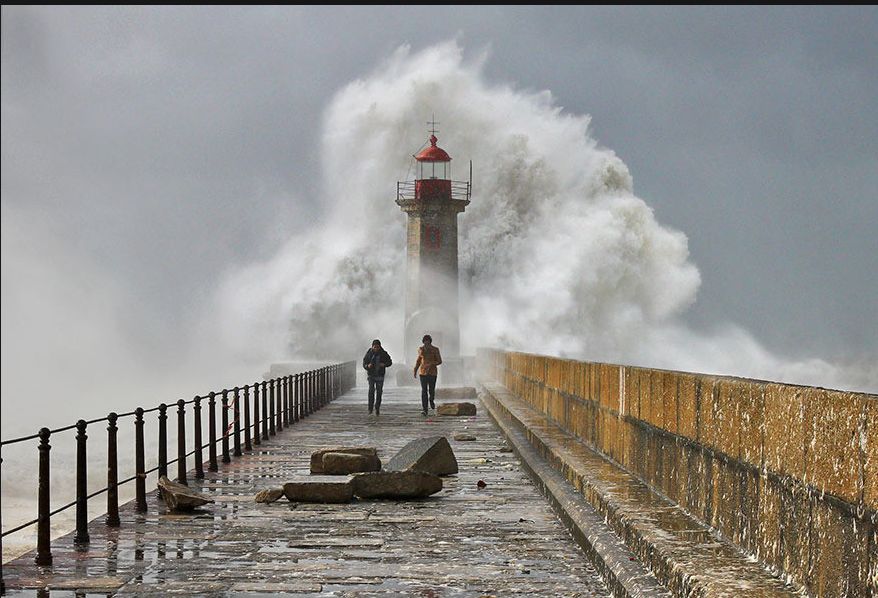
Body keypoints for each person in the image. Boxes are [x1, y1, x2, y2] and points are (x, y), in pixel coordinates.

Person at [413, 334, 442, 416]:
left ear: (430, 342)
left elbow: (439, 361)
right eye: (425, 342)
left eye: (428, 342)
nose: (426, 344)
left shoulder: (435, 350)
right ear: (423, 342)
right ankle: (424, 409)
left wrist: (432, 363)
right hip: (423, 373)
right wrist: (415, 370)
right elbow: (418, 360)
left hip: (432, 373)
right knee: (424, 391)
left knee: (431, 390)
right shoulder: (420, 349)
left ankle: (431, 400)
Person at [362, 339, 392, 416]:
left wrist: (384, 364)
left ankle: (377, 407)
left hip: (380, 375)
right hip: (371, 375)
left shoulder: (383, 353)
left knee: (379, 392)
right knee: (371, 391)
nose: (376, 348)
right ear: (372, 347)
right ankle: (370, 408)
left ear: (380, 346)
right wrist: (367, 366)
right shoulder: (369, 353)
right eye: (374, 347)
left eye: (377, 347)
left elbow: (390, 362)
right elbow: (364, 363)